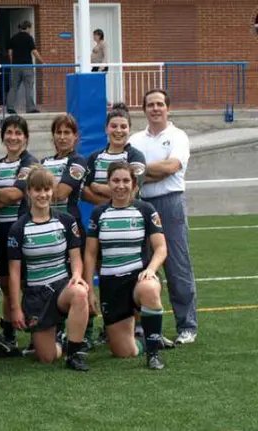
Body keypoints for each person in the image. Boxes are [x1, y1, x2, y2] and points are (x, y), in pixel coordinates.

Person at [83, 161, 168, 370]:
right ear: (109, 183)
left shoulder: (145, 209)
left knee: (150, 288)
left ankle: (153, 352)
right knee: (123, 352)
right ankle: (144, 338)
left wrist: (150, 270)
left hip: (139, 277)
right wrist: (89, 291)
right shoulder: (99, 213)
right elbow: (90, 253)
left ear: (134, 183)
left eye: (125, 181)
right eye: (116, 181)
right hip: (111, 284)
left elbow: (161, 248)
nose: (121, 186)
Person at [129, 88, 197, 345]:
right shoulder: (135, 140)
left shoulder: (178, 136)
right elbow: (129, 173)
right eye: (150, 105)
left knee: (177, 266)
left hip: (170, 203)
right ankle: (142, 328)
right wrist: (151, 172)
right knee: (140, 264)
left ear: (168, 108)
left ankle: (186, 326)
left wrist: (142, 170)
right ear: (144, 109)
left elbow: (170, 168)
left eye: (159, 104)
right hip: (142, 203)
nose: (155, 109)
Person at [7, 167, 90, 371]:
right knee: (47, 357)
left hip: (62, 286)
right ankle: (61, 338)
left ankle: (75, 354)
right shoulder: (19, 228)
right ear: (28, 192)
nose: (42, 195)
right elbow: (14, 273)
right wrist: (16, 308)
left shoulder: (66, 221)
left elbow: (76, 258)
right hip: (36, 294)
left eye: (46, 189)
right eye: (37, 190)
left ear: (52, 191)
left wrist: (77, 276)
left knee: (80, 292)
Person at [0, 115, 39, 354]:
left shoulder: (29, 162)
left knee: (29, 284)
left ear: (25, 137)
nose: (13, 137)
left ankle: (41, 332)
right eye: (9, 132)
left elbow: (15, 195)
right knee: (7, 284)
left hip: (23, 229)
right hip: (1, 231)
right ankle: (9, 335)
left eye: (18, 133)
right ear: (3, 136)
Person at [40, 115, 92, 345]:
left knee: (75, 278)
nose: (62, 137)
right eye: (58, 132)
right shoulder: (44, 161)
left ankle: (85, 331)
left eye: (67, 133)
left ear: (75, 137)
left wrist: (39, 184)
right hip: (46, 226)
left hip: (71, 226)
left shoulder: (79, 160)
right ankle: (54, 327)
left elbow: (61, 193)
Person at [83, 103, 147, 206]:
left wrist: (98, 188)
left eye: (123, 127)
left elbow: (132, 191)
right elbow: (84, 191)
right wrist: (108, 206)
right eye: (113, 126)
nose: (118, 130)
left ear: (129, 129)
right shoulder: (94, 157)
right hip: (101, 217)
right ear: (106, 129)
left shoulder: (136, 156)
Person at [6, 20, 45, 114]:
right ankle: (30, 108)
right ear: (27, 27)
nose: (30, 30)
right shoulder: (29, 38)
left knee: (14, 87)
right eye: (30, 28)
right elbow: (34, 52)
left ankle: (10, 108)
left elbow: (10, 53)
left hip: (16, 66)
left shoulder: (14, 38)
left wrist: (13, 63)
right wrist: (42, 62)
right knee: (29, 87)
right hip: (27, 66)